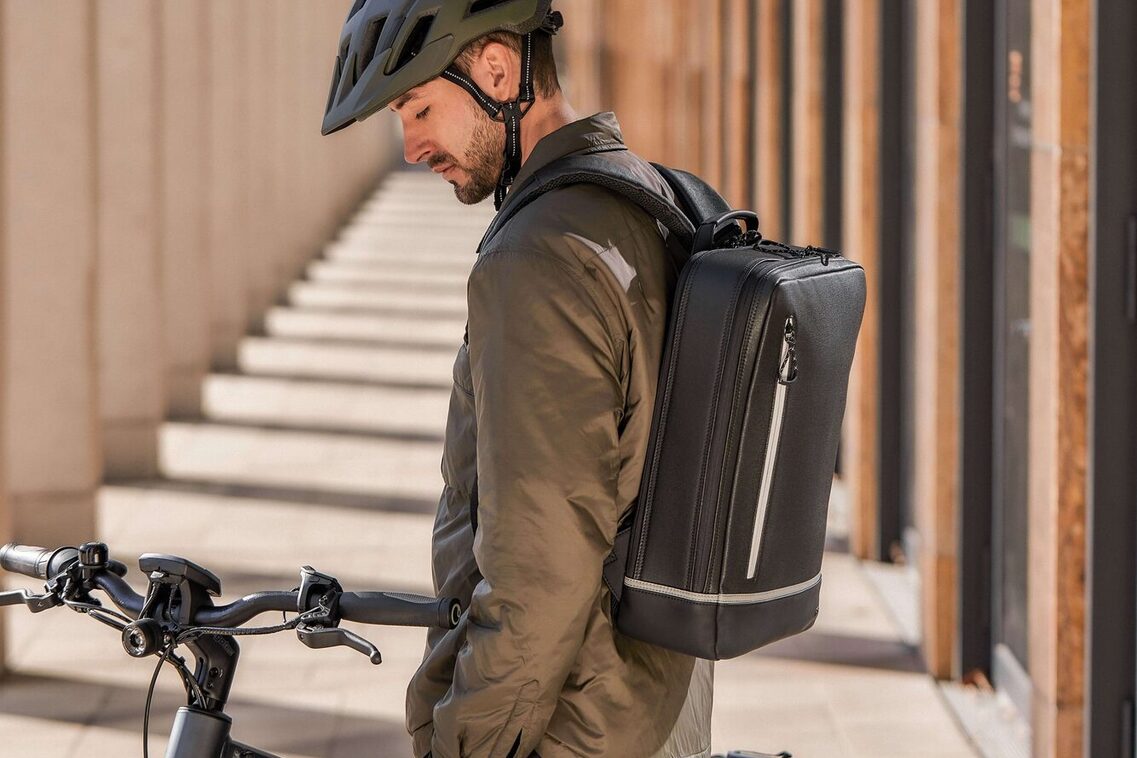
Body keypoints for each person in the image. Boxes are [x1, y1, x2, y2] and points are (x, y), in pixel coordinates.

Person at [323, 2, 712, 756]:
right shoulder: (641, 195)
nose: (412, 147)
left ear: (497, 71)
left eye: (420, 109)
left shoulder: (537, 258)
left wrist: (467, 740)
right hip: (657, 697)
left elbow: (541, 564)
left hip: (570, 722)